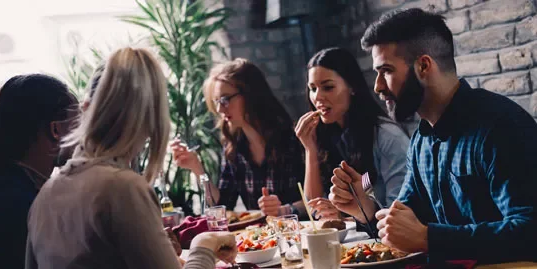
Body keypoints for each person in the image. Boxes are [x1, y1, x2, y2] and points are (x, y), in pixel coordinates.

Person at [330, 8, 537, 263]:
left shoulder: (501, 127)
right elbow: (404, 226)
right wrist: (366, 210)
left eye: (386, 71)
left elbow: (529, 231)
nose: (377, 86)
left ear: (424, 66)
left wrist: (430, 239)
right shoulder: (421, 140)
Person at [25, 47, 236, 269]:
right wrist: (203, 245)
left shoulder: (45, 196)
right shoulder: (123, 188)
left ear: (87, 110)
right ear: (150, 119)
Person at [170, 58, 306, 217]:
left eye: (226, 99)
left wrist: (285, 209)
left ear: (251, 94)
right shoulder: (233, 146)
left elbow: (317, 198)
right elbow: (223, 206)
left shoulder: (294, 138)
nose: (220, 109)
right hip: (260, 238)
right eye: (217, 102)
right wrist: (197, 169)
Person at [294, 47, 409, 222]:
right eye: (312, 88)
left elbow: (399, 210)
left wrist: (344, 215)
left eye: (328, 87)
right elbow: (314, 209)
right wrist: (309, 149)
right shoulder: (330, 134)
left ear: (352, 87)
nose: (318, 97)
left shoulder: (387, 136)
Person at [0, 74, 78, 269]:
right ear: (55, 130)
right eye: (78, 124)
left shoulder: (3, 184)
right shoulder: (24, 206)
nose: (83, 135)